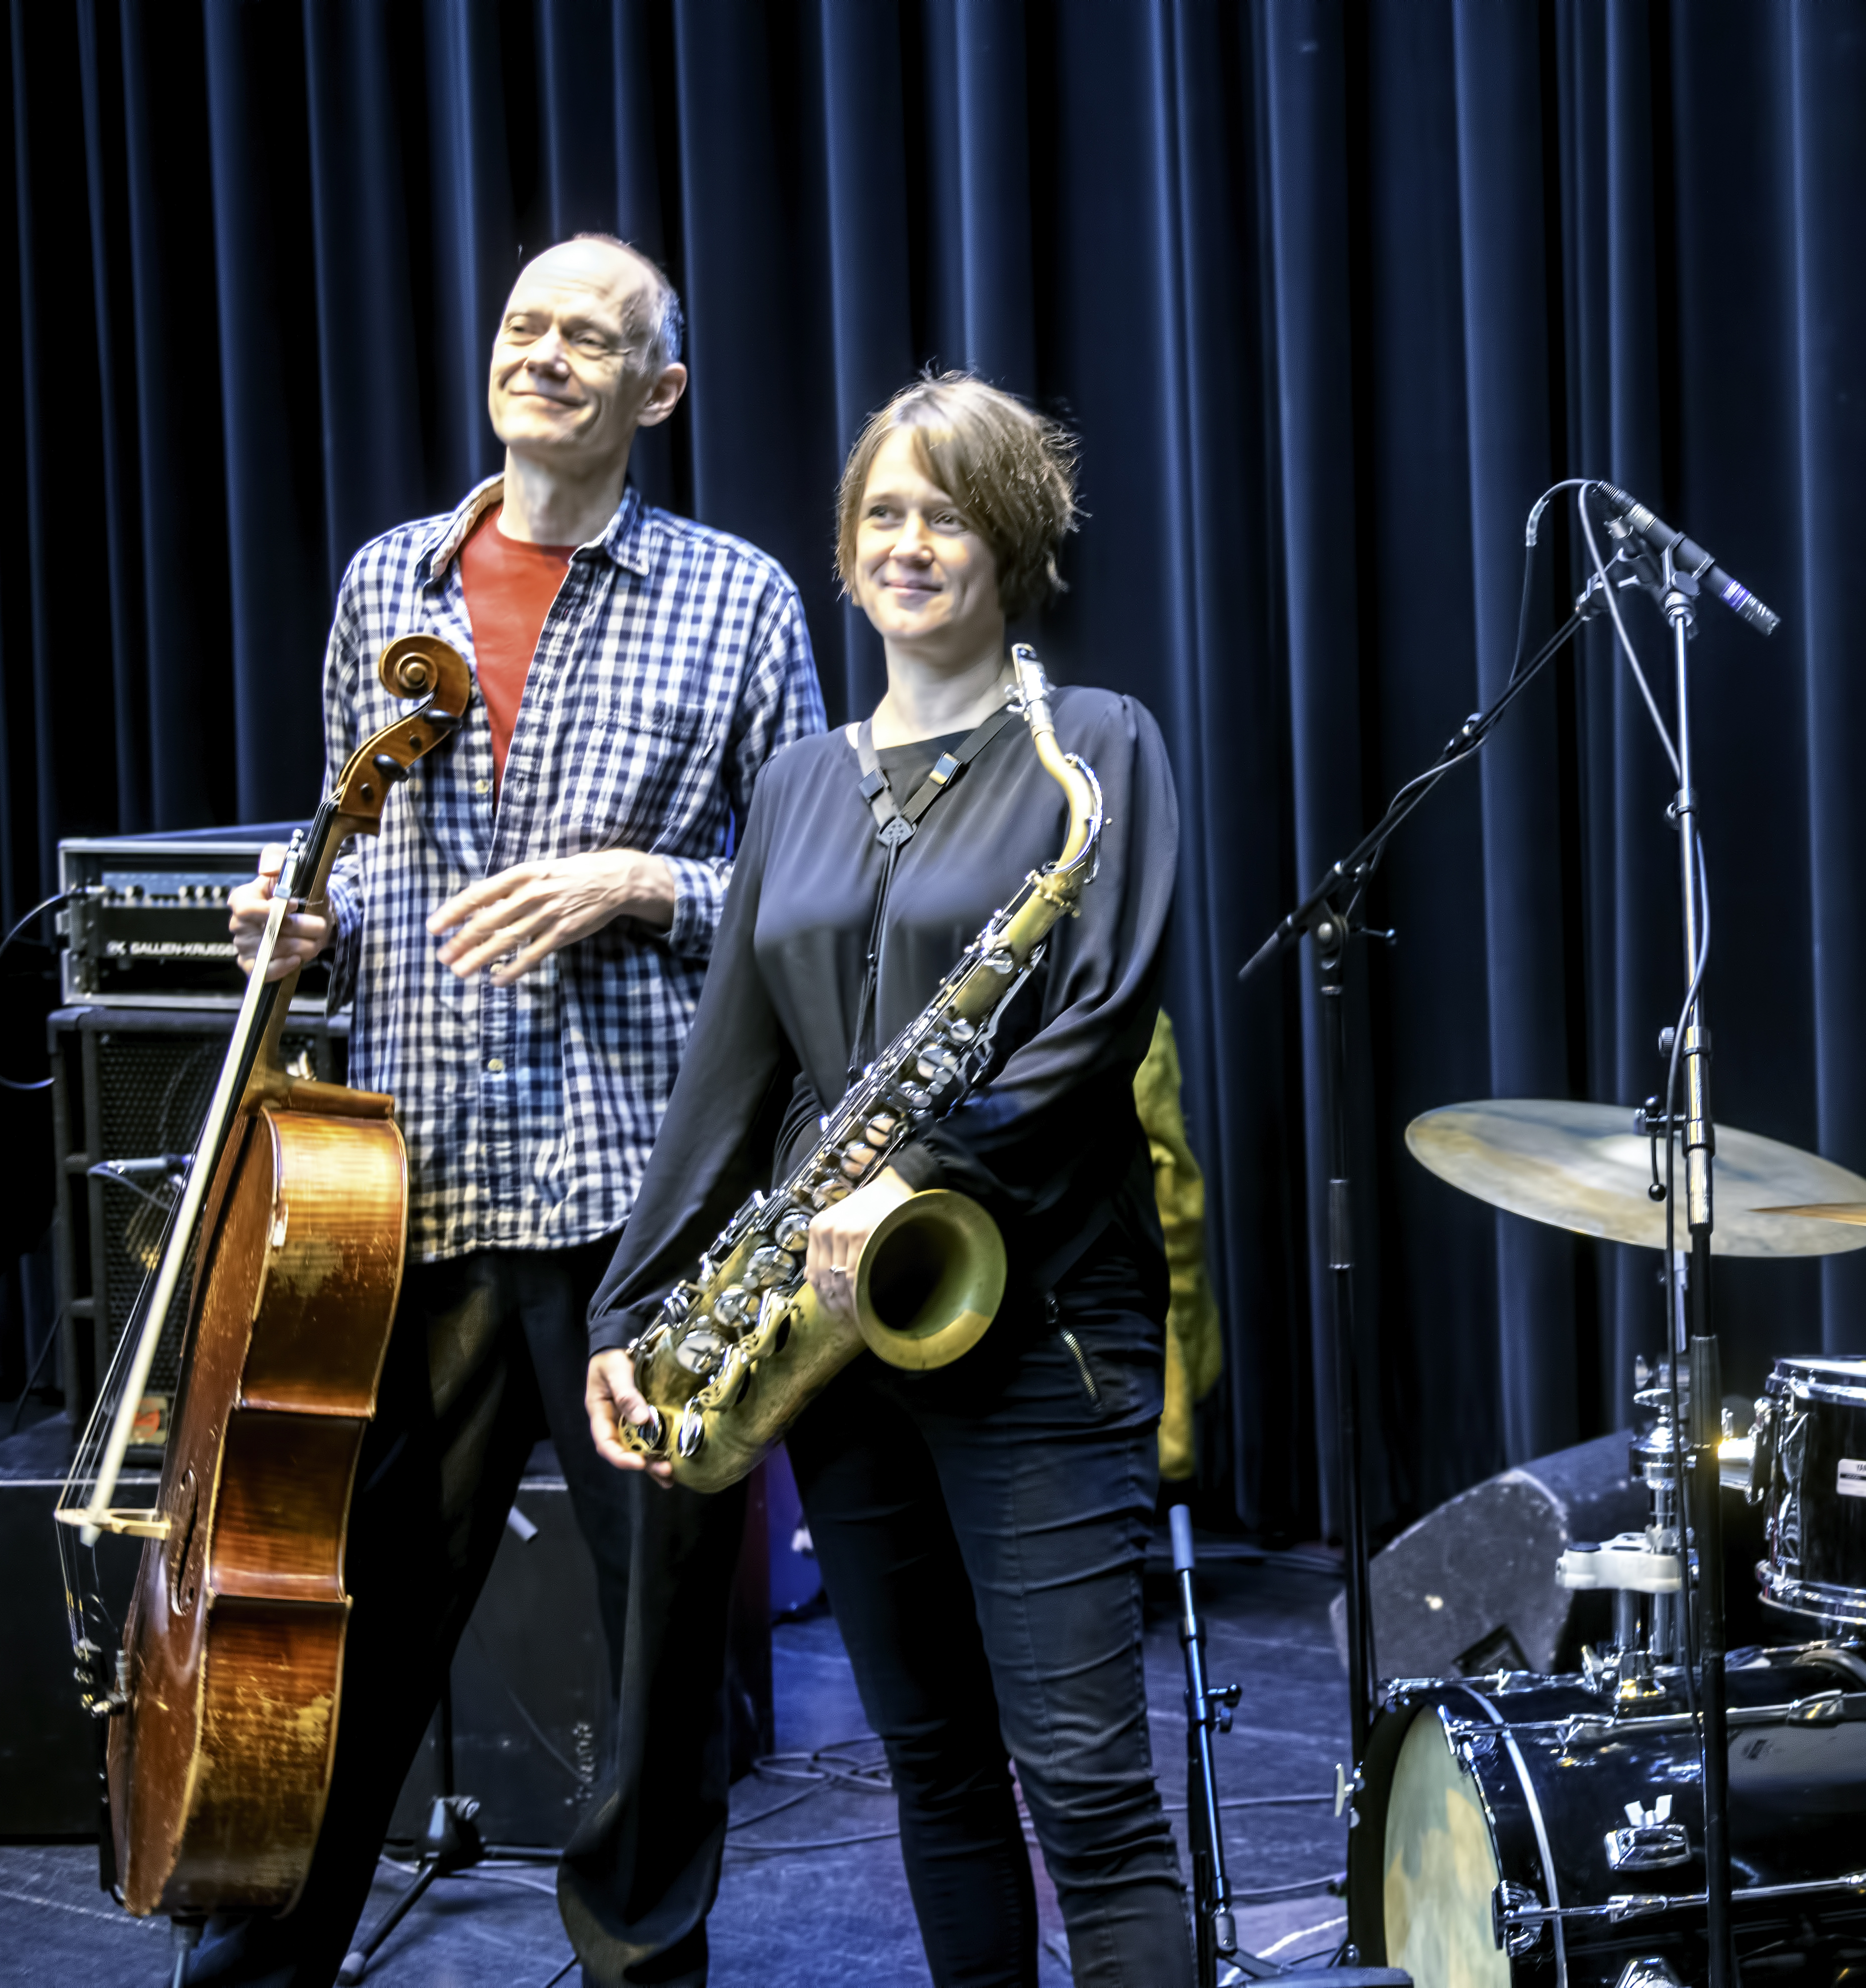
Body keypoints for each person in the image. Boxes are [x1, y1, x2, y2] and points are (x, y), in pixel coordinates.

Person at [222, 234, 824, 1987]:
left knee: (658, 1645)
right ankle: (260, 1966)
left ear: (661, 391)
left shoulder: (740, 598)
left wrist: (641, 877)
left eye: (592, 337)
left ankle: (641, 1968)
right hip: (414, 1184)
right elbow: (361, 873)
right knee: (354, 1623)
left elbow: (802, 895)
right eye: (524, 327)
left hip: (643, 1192)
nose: (546, 355)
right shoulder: (385, 582)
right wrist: (302, 920)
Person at [582, 370, 1189, 1985]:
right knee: (935, 1774)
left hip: (1043, 1326)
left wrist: (917, 1159)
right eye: (882, 514)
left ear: (1013, 539)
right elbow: (733, 1080)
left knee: (1092, 1797)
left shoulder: (1097, 748)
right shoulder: (793, 784)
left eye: (946, 512)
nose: (910, 542)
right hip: (834, 1340)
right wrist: (632, 1308)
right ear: (847, 552)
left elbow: (1100, 1012)